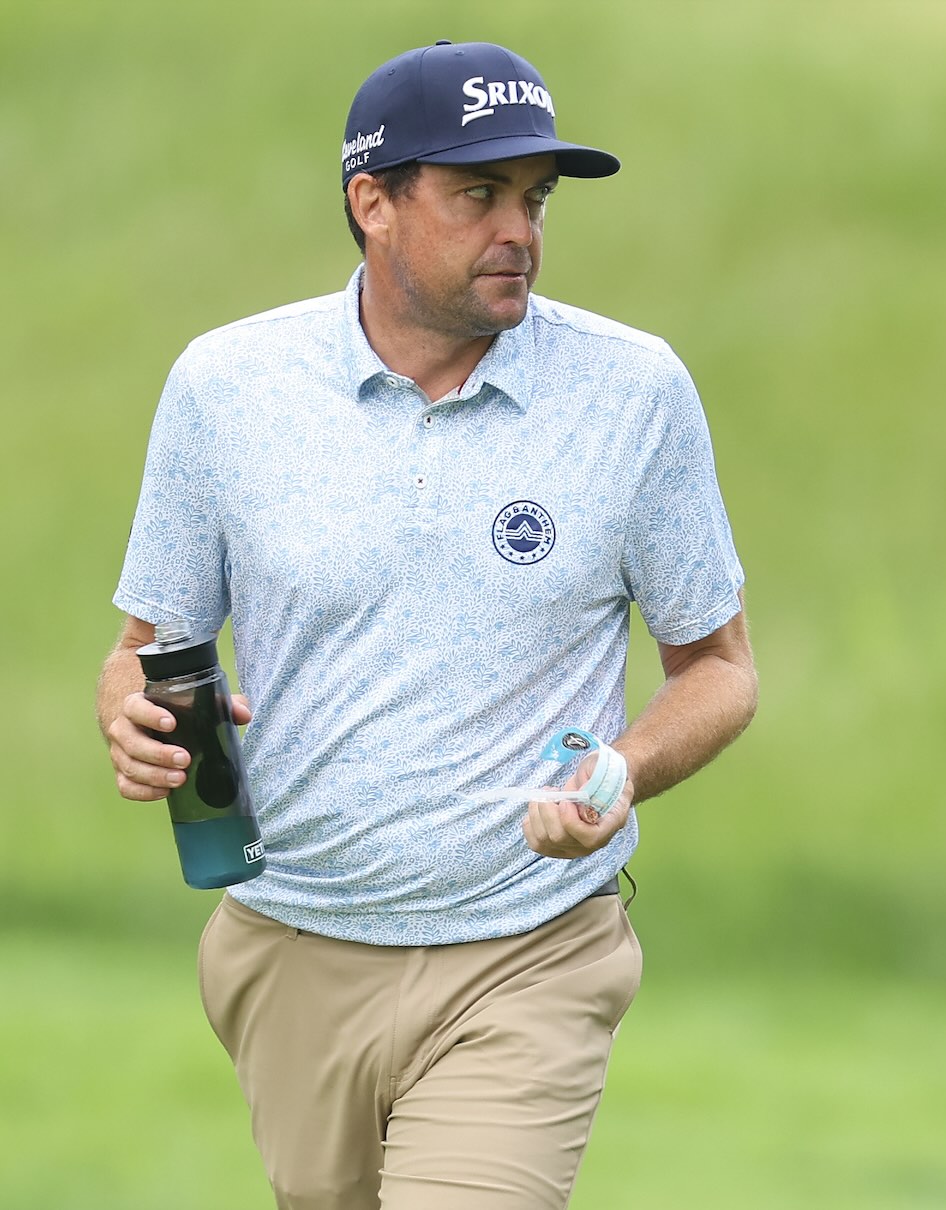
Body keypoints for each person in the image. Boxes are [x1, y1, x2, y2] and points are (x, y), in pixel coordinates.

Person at [95, 40, 757, 1210]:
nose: (521, 232)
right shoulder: (226, 388)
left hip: (530, 949)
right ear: (373, 203)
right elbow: (149, 646)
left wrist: (623, 766)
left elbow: (719, 666)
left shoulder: (633, 392)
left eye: (535, 199)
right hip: (291, 948)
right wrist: (131, 711)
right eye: (478, 195)